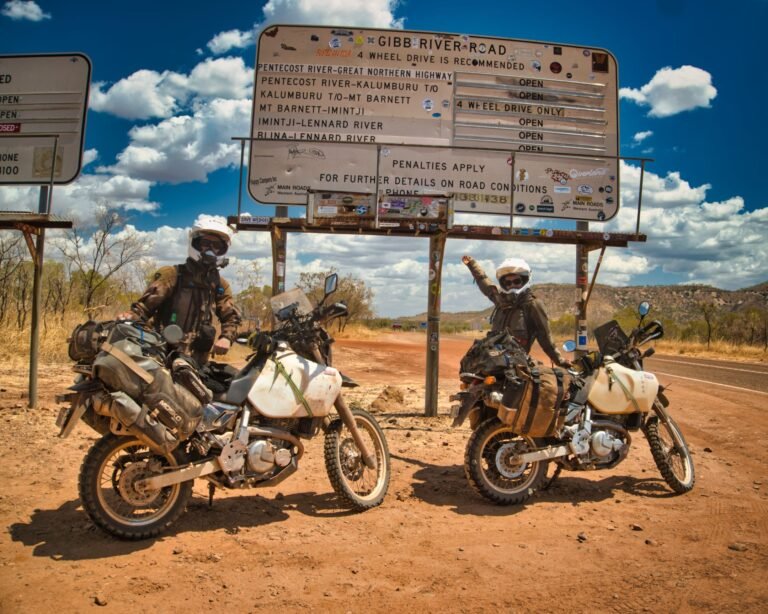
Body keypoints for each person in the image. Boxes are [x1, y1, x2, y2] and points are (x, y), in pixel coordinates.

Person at [120, 215, 241, 366]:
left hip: (196, 361)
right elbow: (143, 309)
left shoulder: (219, 284)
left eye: (216, 246)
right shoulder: (171, 275)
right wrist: (128, 317)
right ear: (194, 243)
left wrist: (226, 338)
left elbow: (231, 317)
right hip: (160, 354)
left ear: (222, 250)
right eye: (205, 243)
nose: (211, 249)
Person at [462, 254, 571, 368]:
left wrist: (559, 360)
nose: (512, 285)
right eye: (508, 283)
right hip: (492, 359)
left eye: (516, 281)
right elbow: (483, 281)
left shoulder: (532, 305)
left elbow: (545, 337)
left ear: (524, 280)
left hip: (515, 364)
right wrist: (472, 264)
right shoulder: (501, 300)